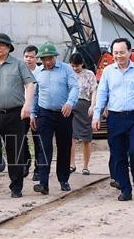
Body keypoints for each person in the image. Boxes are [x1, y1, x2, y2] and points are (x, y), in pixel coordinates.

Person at [93, 38, 134, 201]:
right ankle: (125, 189)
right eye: (115, 53)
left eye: (122, 52)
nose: (118, 56)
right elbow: (102, 93)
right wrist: (97, 114)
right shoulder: (108, 71)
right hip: (115, 118)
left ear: (129, 52)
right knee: (118, 155)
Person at [0, 33, 35, 198]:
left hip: (14, 114)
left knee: (15, 152)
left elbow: (30, 84)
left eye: (1, 45)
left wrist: (27, 105)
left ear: (8, 47)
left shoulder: (18, 65)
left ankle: (16, 188)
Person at [30, 42, 79, 195]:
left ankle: (63, 179)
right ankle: (43, 183)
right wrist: (33, 113)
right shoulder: (38, 73)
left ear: (55, 57)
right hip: (44, 114)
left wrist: (70, 102)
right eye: (44, 59)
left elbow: (75, 87)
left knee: (64, 147)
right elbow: (35, 95)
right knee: (44, 148)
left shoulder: (66, 69)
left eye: (50, 58)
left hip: (63, 114)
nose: (47, 62)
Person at [69, 52, 97, 176]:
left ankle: (85, 166)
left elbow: (94, 90)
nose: (75, 68)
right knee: (70, 136)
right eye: (73, 66)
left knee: (86, 137)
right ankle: (71, 164)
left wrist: (93, 105)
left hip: (85, 105)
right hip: (70, 106)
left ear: (82, 64)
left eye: (77, 66)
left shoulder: (89, 74)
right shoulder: (68, 73)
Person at [22, 45, 40, 181]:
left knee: (38, 140)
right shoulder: (19, 71)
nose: (29, 59)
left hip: (38, 111)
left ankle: (38, 169)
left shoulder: (41, 72)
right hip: (21, 111)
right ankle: (25, 160)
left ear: (36, 58)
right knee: (20, 138)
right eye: (26, 56)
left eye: (31, 57)